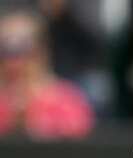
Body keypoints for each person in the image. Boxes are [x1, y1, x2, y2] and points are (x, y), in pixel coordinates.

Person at [0, 8, 94, 139]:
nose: (14, 60)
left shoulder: (67, 102)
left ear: (43, 50)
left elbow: (80, 150)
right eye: (5, 48)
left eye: (23, 46)